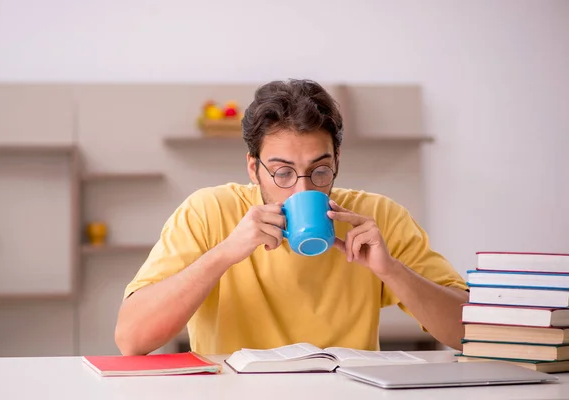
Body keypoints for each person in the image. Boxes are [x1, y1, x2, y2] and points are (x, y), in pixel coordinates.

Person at [115, 79, 469, 356]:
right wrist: (224, 253)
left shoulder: (377, 218)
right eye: (282, 172)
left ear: (338, 161)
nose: (302, 191)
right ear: (253, 168)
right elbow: (132, 339)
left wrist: (391, 270)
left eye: (320, 171)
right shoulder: (207, 212)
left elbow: (472, 334)